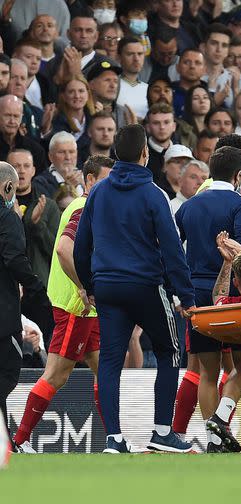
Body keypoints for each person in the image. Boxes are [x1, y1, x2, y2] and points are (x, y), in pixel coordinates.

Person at [73, 124, 195, 454]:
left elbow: (81, 245)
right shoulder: (154, 194)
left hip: (108, 287)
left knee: (111, 361)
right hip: (145, 285)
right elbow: (172, 249)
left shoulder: (98, 192)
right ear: (145, 154)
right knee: (169, 350)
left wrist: (89, 285)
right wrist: (186, 296)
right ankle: (162, 431)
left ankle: (114, 438)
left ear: (115, 153)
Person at [11, 155, 113, 454]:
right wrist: (82, 287)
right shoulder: (84, 208)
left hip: (86, 305)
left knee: (102, 369)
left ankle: (114, 439)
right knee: (57, 374)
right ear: (90, 180)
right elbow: (62, 250)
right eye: (106, 180)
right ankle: (20, 440)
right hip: (75, 305)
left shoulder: (89, 207)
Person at [175, 146, 241, 454]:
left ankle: (214, 439)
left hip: (196, 295)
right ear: (238, 175)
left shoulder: (190, 206)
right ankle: (221, 421)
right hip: (232, 295)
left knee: (206, 372)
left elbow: (169, 247)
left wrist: (179, 292)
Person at [0, 161, 49, 440]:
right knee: (7, 373)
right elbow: (15, 259)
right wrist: (36, 287)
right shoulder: (7, 217)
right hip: (3, 313)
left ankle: (4, 440)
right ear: (9, 187)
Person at [7, 149, 61, 287]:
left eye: (26, 166)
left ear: (33, 170)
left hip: (39, 287)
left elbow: (56, 252)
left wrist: (37, 225)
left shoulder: (48, 206)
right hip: (7, 287)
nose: (21, 171)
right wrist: (13, 221)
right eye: (16, 166)